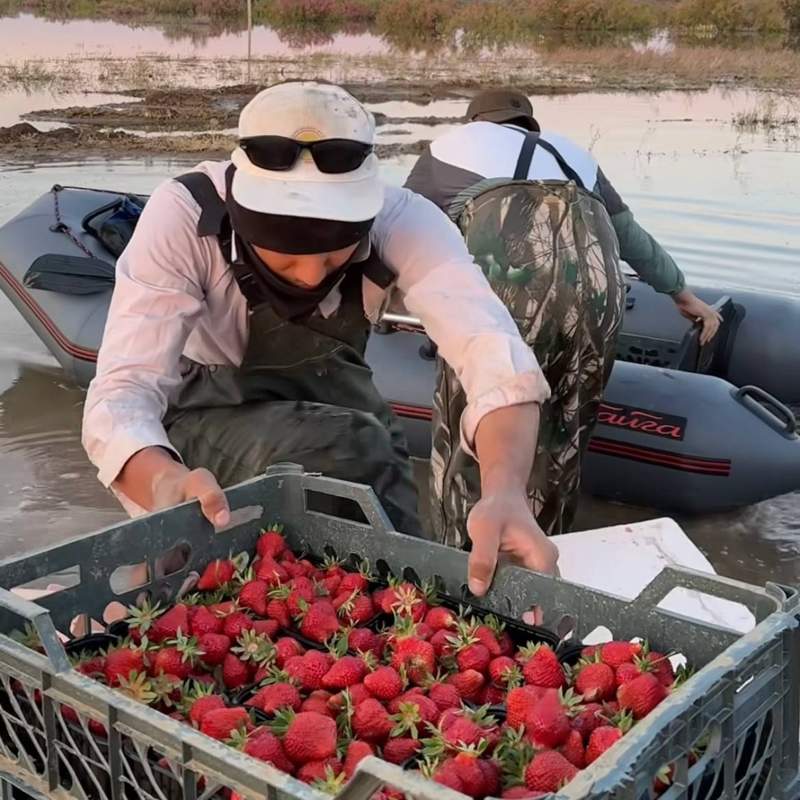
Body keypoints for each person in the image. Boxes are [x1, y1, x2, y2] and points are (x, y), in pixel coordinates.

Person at [81, 81, 559, 596]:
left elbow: (493, 355)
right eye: (284, 259)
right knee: (342, 451)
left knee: (399, 546)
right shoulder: (184, 216)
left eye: (334, 258)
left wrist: (506, 491)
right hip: (205, 410)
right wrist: (160, 481)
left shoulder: (405, 222)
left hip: (342, 407)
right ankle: (161, 579)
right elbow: (121, 394)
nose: (310, 277)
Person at [404, 88, 722, 542]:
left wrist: (376, 309)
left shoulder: (452, 146)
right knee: (564, 438)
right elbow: (631, 238)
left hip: (507, 295)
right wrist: (682, 294)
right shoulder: (576, 157)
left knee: (472, 432)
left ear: (476, 118)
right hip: (597, 297)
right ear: (529, 124)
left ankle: (463, 559)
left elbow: (403, 229)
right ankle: (547, 554)